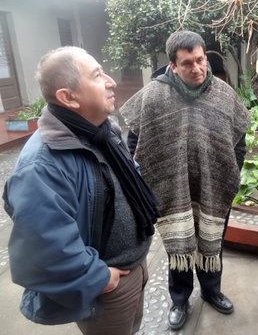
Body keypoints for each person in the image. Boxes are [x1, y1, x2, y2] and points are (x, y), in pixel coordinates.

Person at [2, 46, 159, 334]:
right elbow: (43, 252)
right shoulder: (42, 165)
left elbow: (121, 179)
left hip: (134, 265)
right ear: (68, 97)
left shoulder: (101, 129)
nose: (111, 81)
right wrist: (99, 278)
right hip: (107, 286)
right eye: (97, 75)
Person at [119, 30, 249, 330]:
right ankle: (179, 299)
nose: (197, 68)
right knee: (179, 245)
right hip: (169, 189)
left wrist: (228, 171)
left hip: (214, 187)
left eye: (201, 60)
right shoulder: (153, 95)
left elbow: (239, 140)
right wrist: (148, 180)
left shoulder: (223, 93)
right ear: (173, 66)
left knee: (211, 243)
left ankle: (211, 290)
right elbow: (134, 142)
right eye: (188, 63)